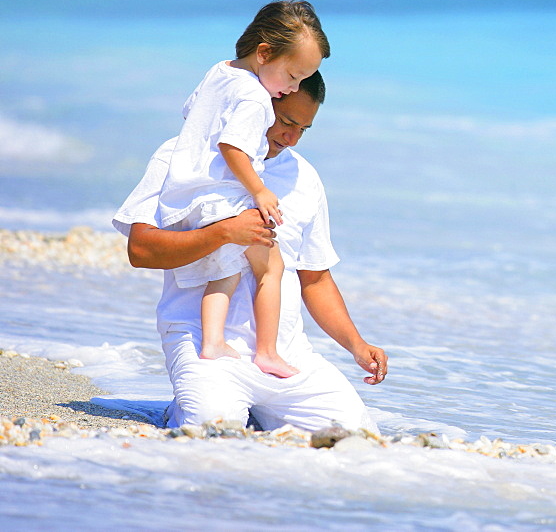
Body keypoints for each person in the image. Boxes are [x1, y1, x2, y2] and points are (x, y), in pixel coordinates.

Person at [113, 74, 386, 433]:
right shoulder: (180, 156)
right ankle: (188, 405)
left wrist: (356, 344)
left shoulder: (304, 178)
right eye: (287, 122)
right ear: (259, 102)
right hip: (203, 343)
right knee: (213, 428)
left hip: (286, 354)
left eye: (303, 129)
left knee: (354, 435)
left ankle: (256, 412)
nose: (291, 138)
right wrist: (224, 232)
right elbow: (141, 250)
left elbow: (316, 279)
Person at [159, 0, 328, 379]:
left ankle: (213, 342)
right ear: (265, 52)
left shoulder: (219, 72)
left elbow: (193, 113)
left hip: (192, 192)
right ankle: (266, 351)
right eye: (292, 77)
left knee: (226, 270)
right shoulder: (255, 99)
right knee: (272, 266)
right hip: (226, 197)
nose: (292, 87)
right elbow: (232, 146)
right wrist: (259, 191)